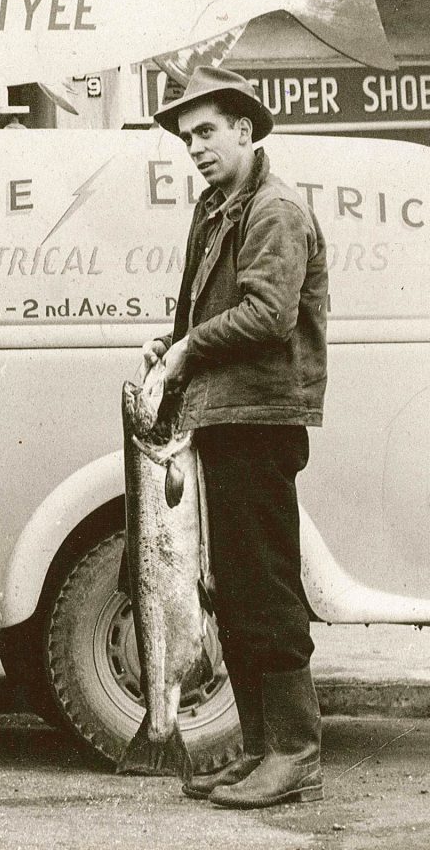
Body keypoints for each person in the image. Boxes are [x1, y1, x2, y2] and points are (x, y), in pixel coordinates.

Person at [143, 65, 328, 809]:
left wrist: (188, 349)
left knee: (267, 587)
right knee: (237, 591)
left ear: (245, 129)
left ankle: (296, 754)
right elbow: (205, 316)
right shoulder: (219, 207)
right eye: (188, 139)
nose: (195, 149)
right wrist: (171, 345)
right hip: (221, 416)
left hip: (260, 419)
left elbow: (267, 317)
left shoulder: (274, 209)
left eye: (207, 132)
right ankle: (259, 749)